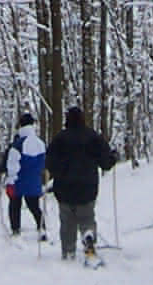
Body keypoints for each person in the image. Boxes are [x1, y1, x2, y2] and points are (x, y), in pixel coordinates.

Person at [44, 105, 118, 261]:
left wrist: (58, 172)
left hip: (64, 190)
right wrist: (113, 157)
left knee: (67, 222)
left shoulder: (59, 139)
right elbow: (105, 162)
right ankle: (88, 235)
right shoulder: (92, 137)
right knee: (86, 217)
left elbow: (50, 163)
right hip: (87, 188)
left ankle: (68, 252)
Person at [4, 111, 47, 239]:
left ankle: (15, 229)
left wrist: (10, 180)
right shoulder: (40, 143)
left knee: (14, 205)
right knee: (34, 206)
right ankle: (42, 227)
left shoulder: (17, 144)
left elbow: (13, 165)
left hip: (18, 181)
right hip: (34, 180)